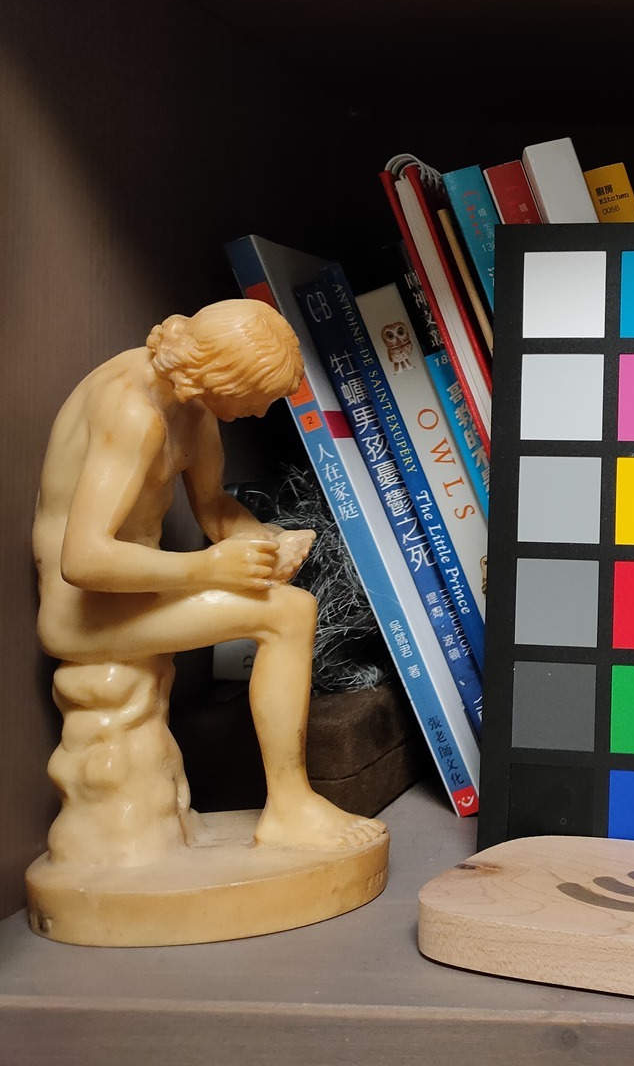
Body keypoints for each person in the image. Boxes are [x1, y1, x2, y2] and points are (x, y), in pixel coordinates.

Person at [33, 298, 383, 851]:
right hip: (85, 617)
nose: (261, 413)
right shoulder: (133, 414)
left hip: (137, 593)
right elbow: (83, 560)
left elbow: (215, 507)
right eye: (258, 398)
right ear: (223, 378)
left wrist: (263, 543)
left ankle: (291, 806)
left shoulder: (189, 400)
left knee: (286, 602)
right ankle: (289, 807)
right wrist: (207, 567)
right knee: (289, 616)